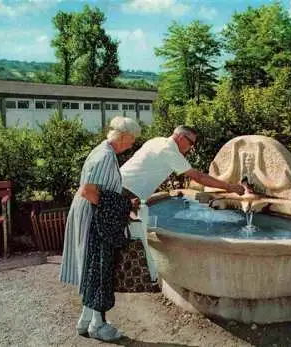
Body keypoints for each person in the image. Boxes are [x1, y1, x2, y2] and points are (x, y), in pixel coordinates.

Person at [59, 116, 141, 341]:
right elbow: (89, 191)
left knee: (93, 268)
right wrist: (123, 205)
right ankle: (98, 326)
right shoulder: (106, 156)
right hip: (94, 219)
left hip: (88, 213)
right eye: (132, 140)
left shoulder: (102, 151)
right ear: (123, 136)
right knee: (100, 268)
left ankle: (86, 321)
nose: (132, 144)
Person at [120, 125, 246, 209]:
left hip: (119, 183)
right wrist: (230, 187)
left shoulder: (156, 141)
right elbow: (199, 177)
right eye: (190, 143)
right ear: (181, 137)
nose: (191, 147)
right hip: (126, 191)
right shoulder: (170, 151)